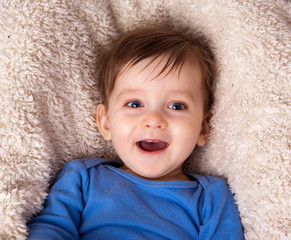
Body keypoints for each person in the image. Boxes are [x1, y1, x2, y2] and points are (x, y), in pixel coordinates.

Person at [28, 26, 244, 239]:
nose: (153, 120)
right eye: (134, 104)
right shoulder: (83, 178)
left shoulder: (210, 197)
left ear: (204, 128)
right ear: (106, 122)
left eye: (176, 106)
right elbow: (51, 228)